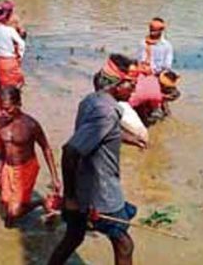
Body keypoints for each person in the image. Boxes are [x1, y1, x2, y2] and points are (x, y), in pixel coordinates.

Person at [48, 54, 146, 265]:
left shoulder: (92, 101)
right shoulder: (106, 113)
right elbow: (70, 151)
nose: (134, 90)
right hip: (100, 193)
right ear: (117, 84)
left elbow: (99, 133)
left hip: (84, 187)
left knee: (73, 237)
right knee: (124, 244)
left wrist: (131, 138)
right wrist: (71, 198)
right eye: (132, 84)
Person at [0, 86, 61, 227]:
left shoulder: (30, 125)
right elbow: (3, 149)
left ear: (18, 104)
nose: (4, 113)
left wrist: (54, 178)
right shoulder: (0, 122)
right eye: (1, 108)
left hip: (25, 168)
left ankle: (40, 202)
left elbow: (46, 149)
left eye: (8, 108)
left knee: (14, 212)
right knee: (7, 214)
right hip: (8, 167)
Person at [0, 5, 26, 88]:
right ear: (5, 18)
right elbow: (21, 43)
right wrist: (19, 56)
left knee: (3, 86)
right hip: (11, 60)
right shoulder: (10, 30)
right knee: (18, 84)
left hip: (1, 62)